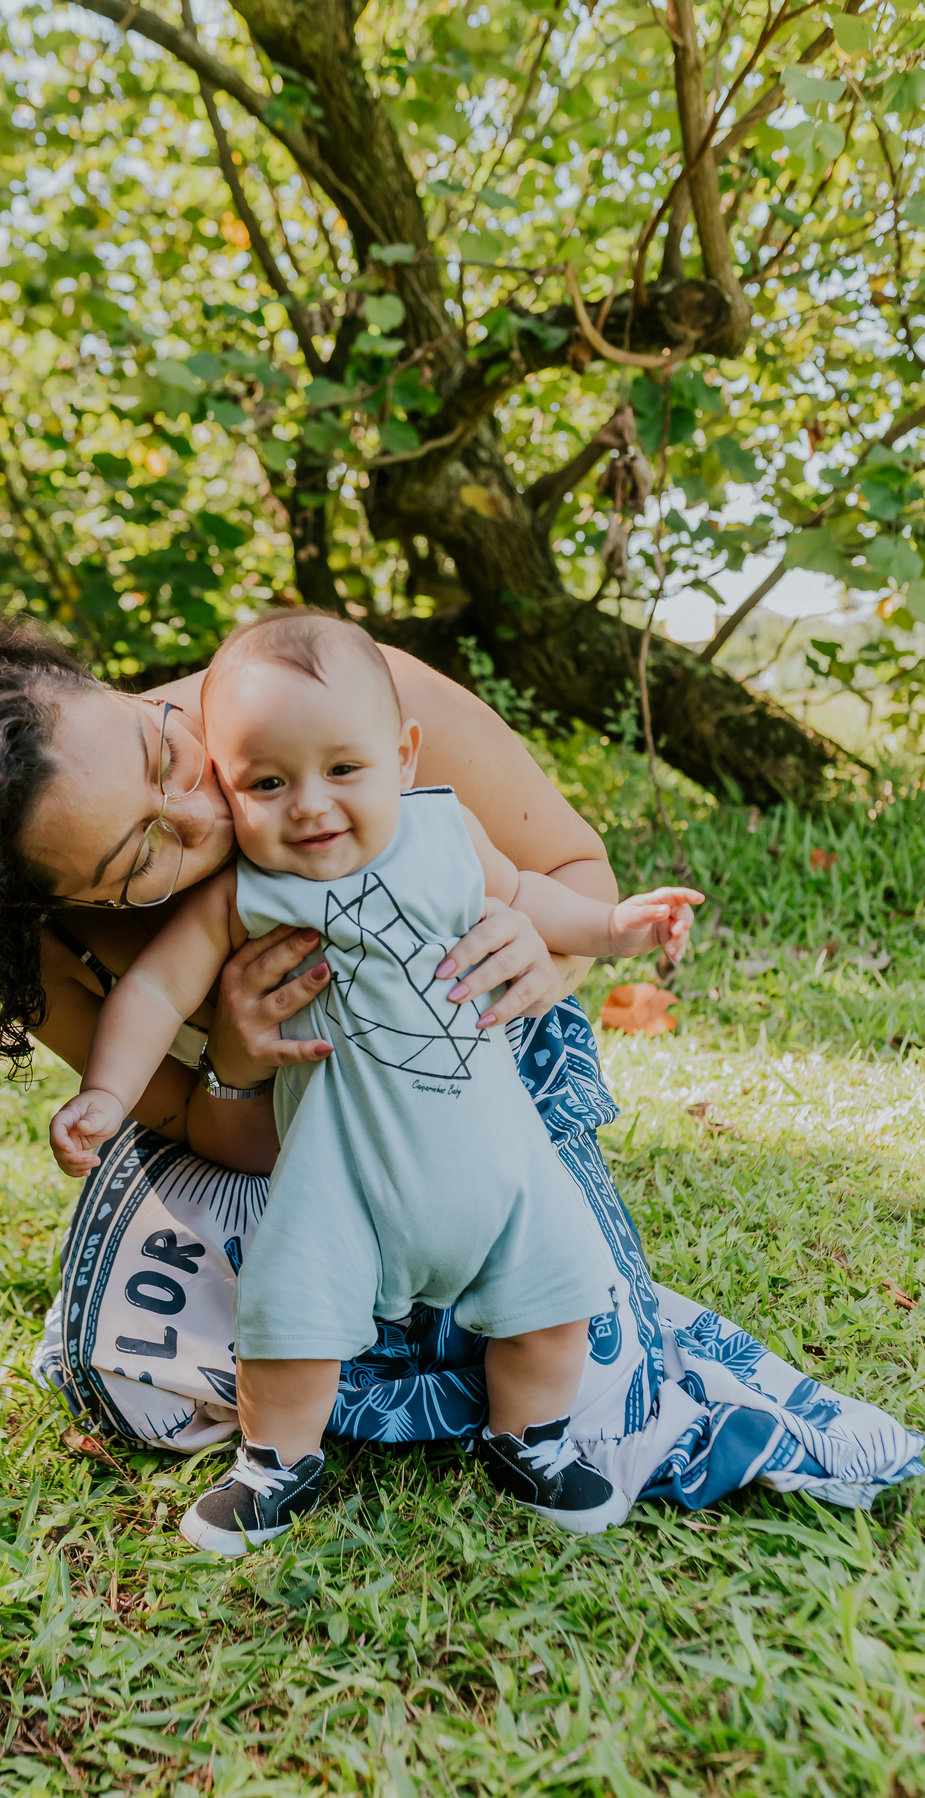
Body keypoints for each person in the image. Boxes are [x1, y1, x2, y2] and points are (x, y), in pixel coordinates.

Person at [0, 612, 922, 1528]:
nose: (198, 807)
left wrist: (547, 958)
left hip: (475, 1076)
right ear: (58, 902)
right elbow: (192, 1125)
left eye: (161, 746)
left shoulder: (323, 703)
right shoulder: (51, 953)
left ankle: (488, 1372)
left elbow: (571, 869)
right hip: (285, 1139)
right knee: (143, 1368)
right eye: (138, 855)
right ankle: (337, 1402)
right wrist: (245, 1062)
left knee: (578, 1351)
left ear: (101, 685)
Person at [49, 612, 704, 1551]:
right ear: (232, 790)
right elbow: (154, 991)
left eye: (343, 772)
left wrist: (615, 927)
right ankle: (277, 1464)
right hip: (338, 1176)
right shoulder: (244, 896)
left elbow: (527, 895)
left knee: (557, 1300)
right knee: (289, 1322)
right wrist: (107, 1097)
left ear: (403, 756)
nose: (309, 806)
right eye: (268, 785)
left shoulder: (445, 829)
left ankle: (530, 1442)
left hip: (498, 1161)